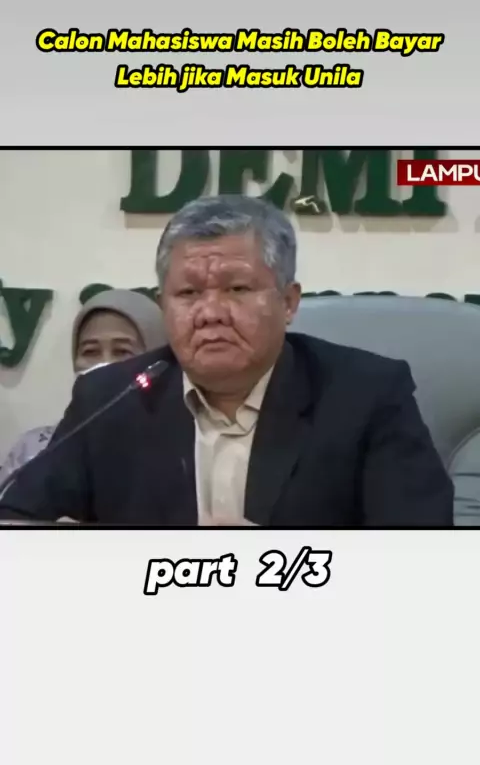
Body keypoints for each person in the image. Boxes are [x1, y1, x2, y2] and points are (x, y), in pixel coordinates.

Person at [0, 194, 454, 525]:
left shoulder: (367, 397)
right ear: (163, 305)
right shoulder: (110, 397)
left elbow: (421, 560)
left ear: (288, 302)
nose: (210, 313)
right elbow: (17, 518)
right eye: (188, 293)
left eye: (237, 289)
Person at [0, 288, 165, 488]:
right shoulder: (34, 449)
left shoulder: (182, 448)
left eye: (122, 351)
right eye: (90, 352)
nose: (104, 365)